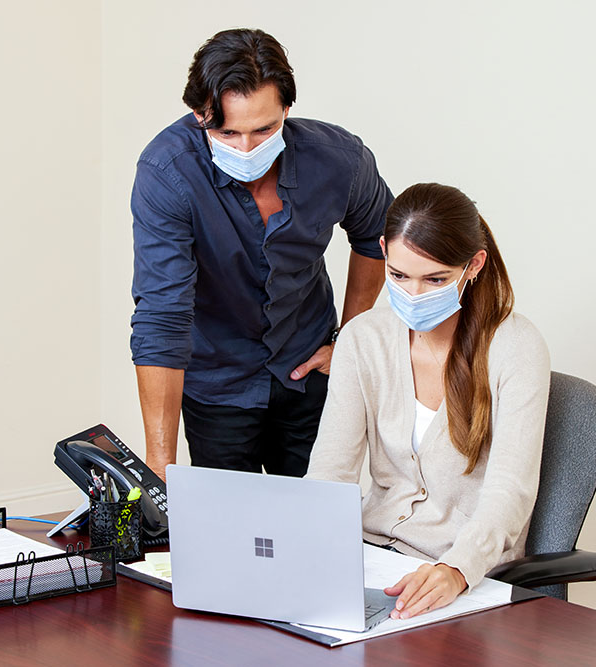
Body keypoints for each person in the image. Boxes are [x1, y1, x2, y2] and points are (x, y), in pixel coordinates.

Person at [130, 29, 393, 480]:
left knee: (319, 525)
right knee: (230, 534)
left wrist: (346, 343)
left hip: (309, 370)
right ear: (199, 115)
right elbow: (162, 316)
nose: (247, 149)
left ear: (287, 110)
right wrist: (160, 463)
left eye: (264, 129)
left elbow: (377, 237)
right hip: (216, 379)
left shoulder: (339, 159)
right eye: (227, 132)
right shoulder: (166, 173)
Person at [305, 183, 551, 620]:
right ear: (382, 251)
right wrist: (300, 544)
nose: (413, 296)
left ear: (473, 265)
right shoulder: (363, 338)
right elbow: (331, 469)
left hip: (463, 571)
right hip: (371, 557)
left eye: (435, 279)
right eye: (398, 276)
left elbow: (509, 490)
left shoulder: (515, 347)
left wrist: (457, 568)